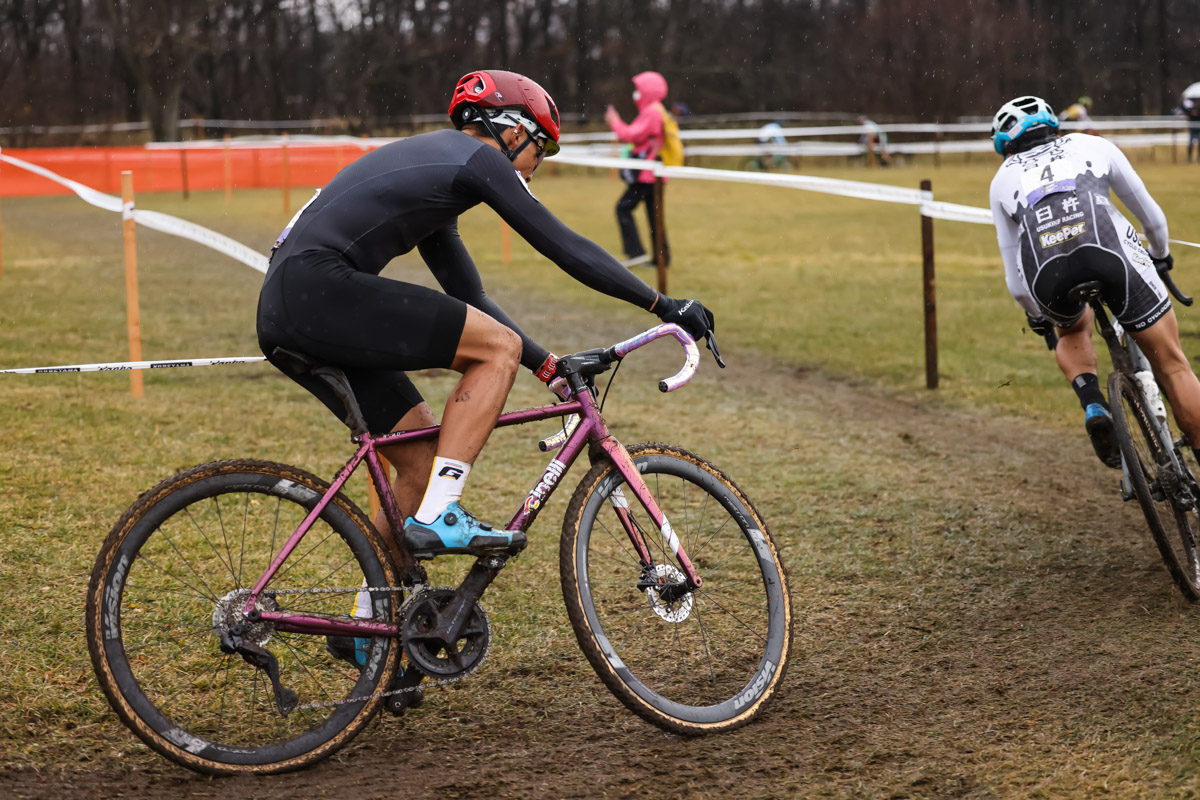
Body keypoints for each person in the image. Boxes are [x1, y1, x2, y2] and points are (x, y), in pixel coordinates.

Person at [258, 69, 715, 572]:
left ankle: (373, 616)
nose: (536, 165)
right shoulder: (478, 158)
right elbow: (564, 246)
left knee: (420, 451)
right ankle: (439, 514)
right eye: (540, 149)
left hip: (291, 304)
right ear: (514, 131)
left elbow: (468, 292)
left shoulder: (440, 170)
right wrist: (664, 305)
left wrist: (548, 367)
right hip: (318, 292)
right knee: (497, 347)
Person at [988, 95, 1200, 469]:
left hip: (1048, 273)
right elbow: (1150, 216)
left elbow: (1016, 281)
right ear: (1053, 123)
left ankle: (1092, 403)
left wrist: (1037, 315)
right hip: (1111, 251)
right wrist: (1161, 255)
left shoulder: (1002, 178)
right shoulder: (1092, 144)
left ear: (1005, 145)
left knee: (1070, 331)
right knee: (1172, 365)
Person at [605, 71, 671, 268]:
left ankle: (636, 253)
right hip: (654, 173)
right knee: (655, 217)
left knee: (623, 208)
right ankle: (661, 259)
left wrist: (614, 121)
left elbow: (628, 135)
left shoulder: (652, 111)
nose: (636, 94)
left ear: (647, 91)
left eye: (638, 90)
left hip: (646, 174)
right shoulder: (657, 110)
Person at [1177, 93, 1200, 163]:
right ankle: (1189, 159)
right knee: (1190, 144)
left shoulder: (1199, 110)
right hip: (1192, 130)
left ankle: (1198, 159)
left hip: (1199, 130)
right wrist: (1182, 101)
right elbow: (1182, 108)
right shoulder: (1190, 110)